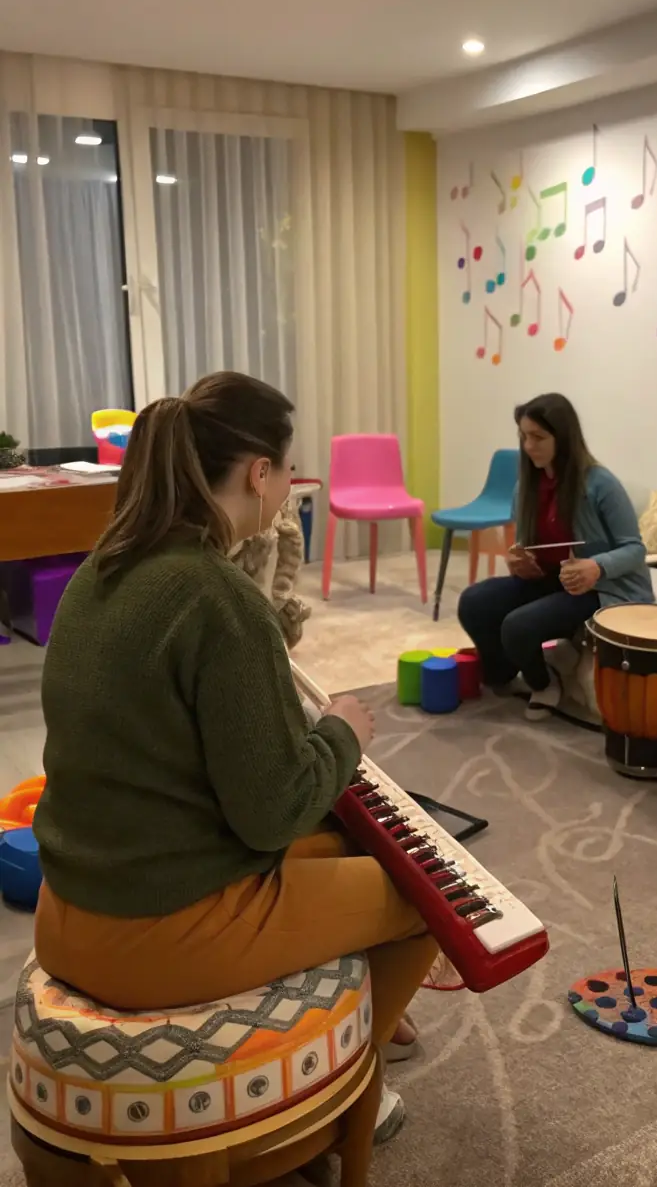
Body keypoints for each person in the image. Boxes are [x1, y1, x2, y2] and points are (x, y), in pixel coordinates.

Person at [33, 372, 435, 1142]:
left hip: (68, 905)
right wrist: (342, 733)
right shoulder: (219, 598)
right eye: (289, 472)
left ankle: (345, 1015)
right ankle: (348, 1085)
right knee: (422, 893)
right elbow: (271, 814)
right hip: (154, 930)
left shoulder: (100, 569)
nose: (289, 490)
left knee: (349, 844)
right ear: (258, 474)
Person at [458, 392, 653, 720]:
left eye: (538, 437)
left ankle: (544, 683)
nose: (528, 445)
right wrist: (519, 561)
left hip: (599, 588)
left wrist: (597, 567)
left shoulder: (601, 484)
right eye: (524, 436)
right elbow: (524, 545)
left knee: (517, 626)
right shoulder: (526, 487)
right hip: (550, 580)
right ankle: (503, 672)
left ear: (563, 437)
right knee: (473, 602)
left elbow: (635, 549)